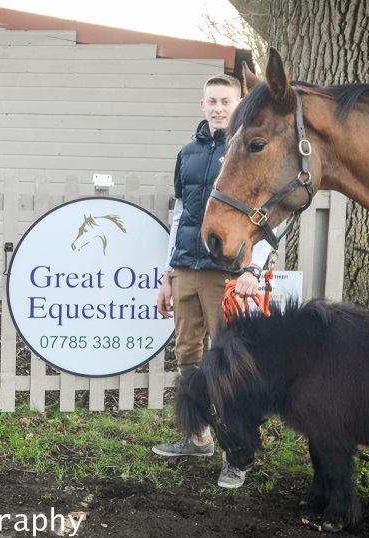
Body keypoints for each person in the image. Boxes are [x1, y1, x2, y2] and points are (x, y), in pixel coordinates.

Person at [152, 73, 273, 489]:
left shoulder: (251, 149)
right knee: (188, 357)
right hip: (186, 269)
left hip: (228, 275)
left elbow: (272, 217)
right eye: (212, 101)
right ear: (200, 105)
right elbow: (180, 213)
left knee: (229, 365)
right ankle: (197, 436)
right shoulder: (186, 153)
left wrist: (253, 269)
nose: (219, 107)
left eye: (227, 101)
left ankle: (236, 455)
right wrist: (169, 272)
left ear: (239, 106)